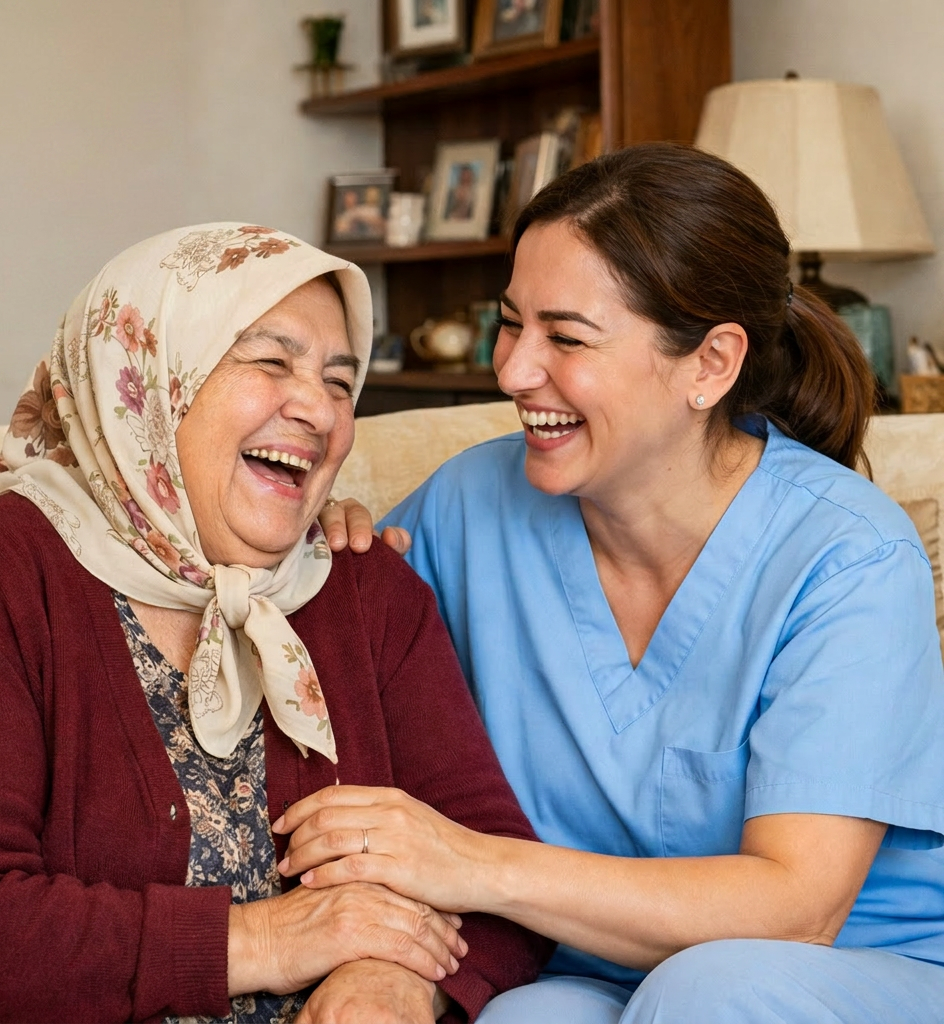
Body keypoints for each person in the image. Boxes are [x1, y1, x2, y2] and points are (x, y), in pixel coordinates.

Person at [292, 144, 944, 1022]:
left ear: (711, 364)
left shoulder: (848, 556)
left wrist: (468, 863)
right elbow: (317, 654)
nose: (516, 370)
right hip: (591, 967)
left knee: (711, 991)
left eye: (565, 337)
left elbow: (798, 909)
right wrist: (316, 551)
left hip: (846, 968)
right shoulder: (469, 506)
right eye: (510, 323)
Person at [0, 223, 552, 1023]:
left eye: (338, 381)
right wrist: (269, 941)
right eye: (270, 361)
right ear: (147, 381)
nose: (318, 409)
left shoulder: (363, 587)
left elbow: (503, 881)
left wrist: (405, 982)